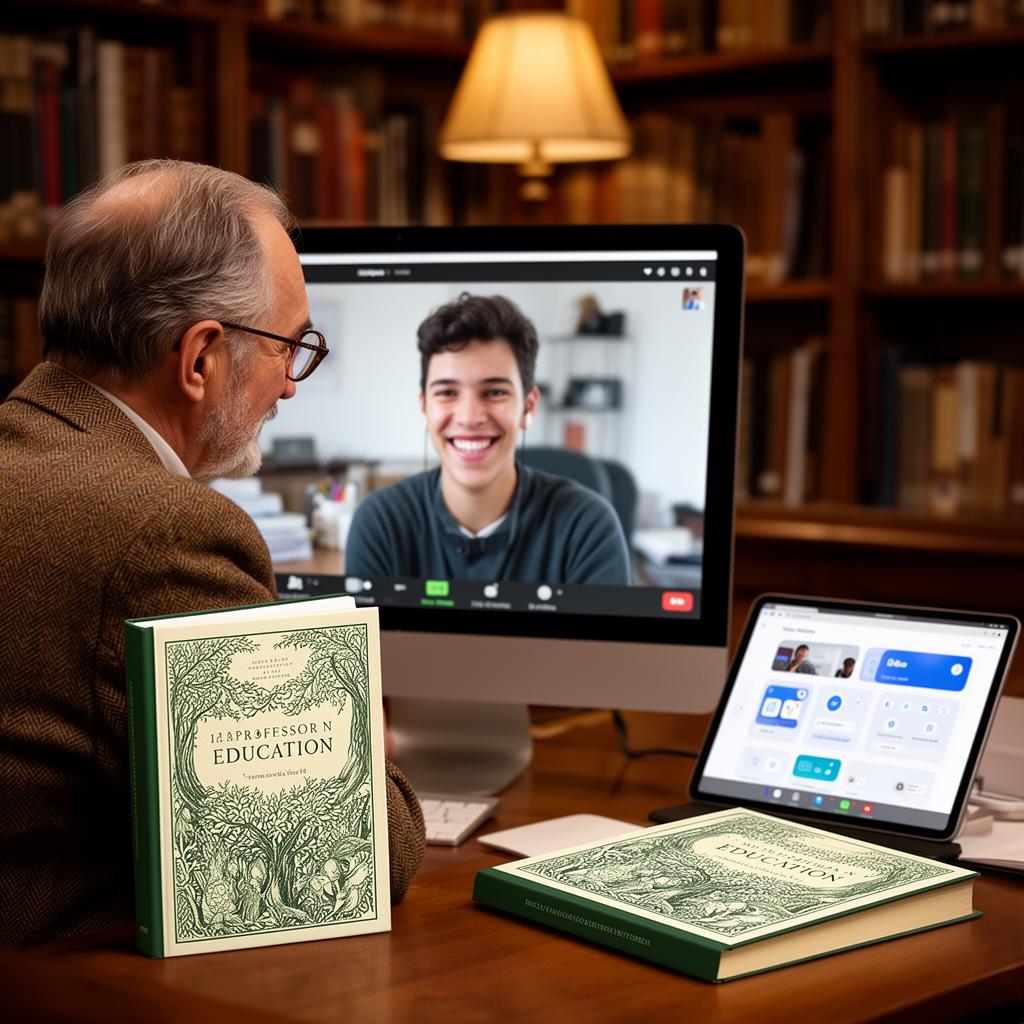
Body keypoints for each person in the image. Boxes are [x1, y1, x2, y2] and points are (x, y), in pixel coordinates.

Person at [0, 161, 424, 948]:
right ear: (199, 359)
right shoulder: (161, 532)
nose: (290, 386)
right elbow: (361, 857)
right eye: (287, 348)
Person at [345, 294, 631, 586]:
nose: (470, 418)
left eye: (495, 392)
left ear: (528, 407)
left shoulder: (587, 527)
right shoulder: (380, 523)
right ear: (424, 408)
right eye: (447, 393)